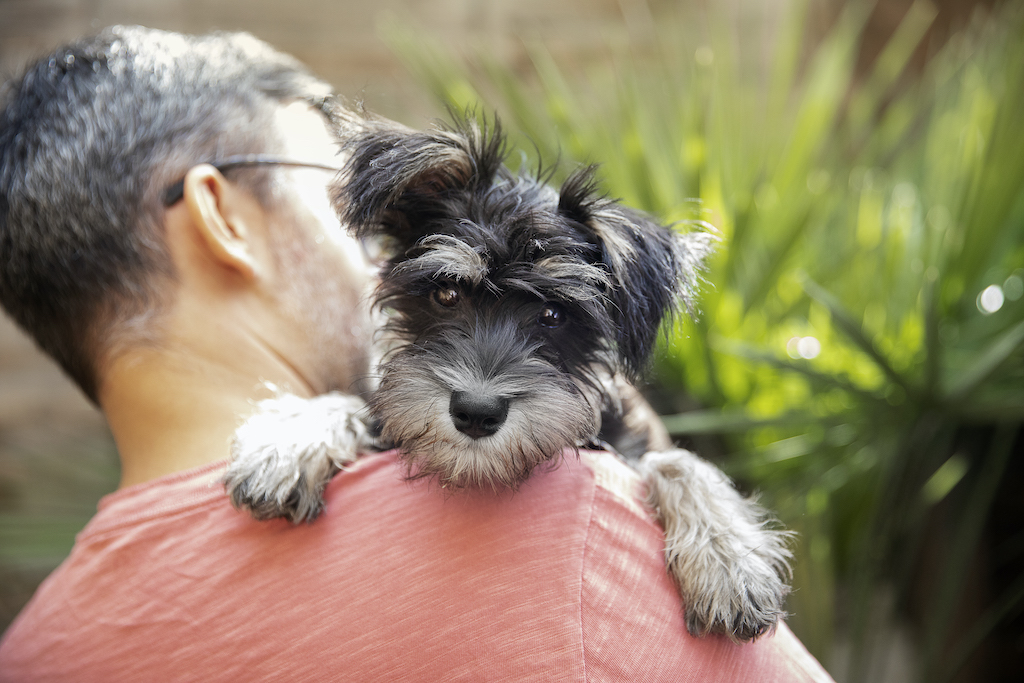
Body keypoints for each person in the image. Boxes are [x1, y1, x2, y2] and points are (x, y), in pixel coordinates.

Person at [0, 26, 834, 682]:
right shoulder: (586, 532)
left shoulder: (31, 652)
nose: (366, 252)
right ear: (222, 218)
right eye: (443, 293)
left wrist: (673, 473)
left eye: (550, 311)